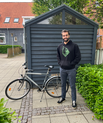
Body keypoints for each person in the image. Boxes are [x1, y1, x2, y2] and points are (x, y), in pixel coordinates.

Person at [57, 29, 81, 109]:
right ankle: (63, 97)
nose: (65, 37)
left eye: (66, 35)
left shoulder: (74, 46)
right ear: (62, 36)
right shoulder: (59, 46)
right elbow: (58, 57)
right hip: (62, 69)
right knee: (63, 84)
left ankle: (73, 100)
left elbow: (78, 57)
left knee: (72, 85)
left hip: (71, 69)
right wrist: (61, 64)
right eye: (63, 35)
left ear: (69, 35)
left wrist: (71, 64)